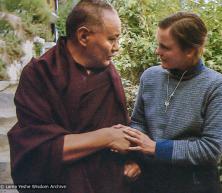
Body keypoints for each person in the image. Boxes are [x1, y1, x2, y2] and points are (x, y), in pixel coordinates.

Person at [8, 1, 140, 193]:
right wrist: (107, 136)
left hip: (104, 183)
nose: (116, 47)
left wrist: (131, 160)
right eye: (112, 39)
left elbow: (121, 126)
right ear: (83, 36)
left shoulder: (108, 74)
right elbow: (38, 148)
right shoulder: (40, 73)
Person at [119, 12, 222, 193]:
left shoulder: (215, 85)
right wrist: (135, 158)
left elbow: (211, 149)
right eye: (158, 45)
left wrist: (156, 148)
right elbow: (139, 122)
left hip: (194, 184)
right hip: (149, 181)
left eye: (165, 47)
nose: (157, 51)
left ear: (189, 51)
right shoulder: (150, 77)